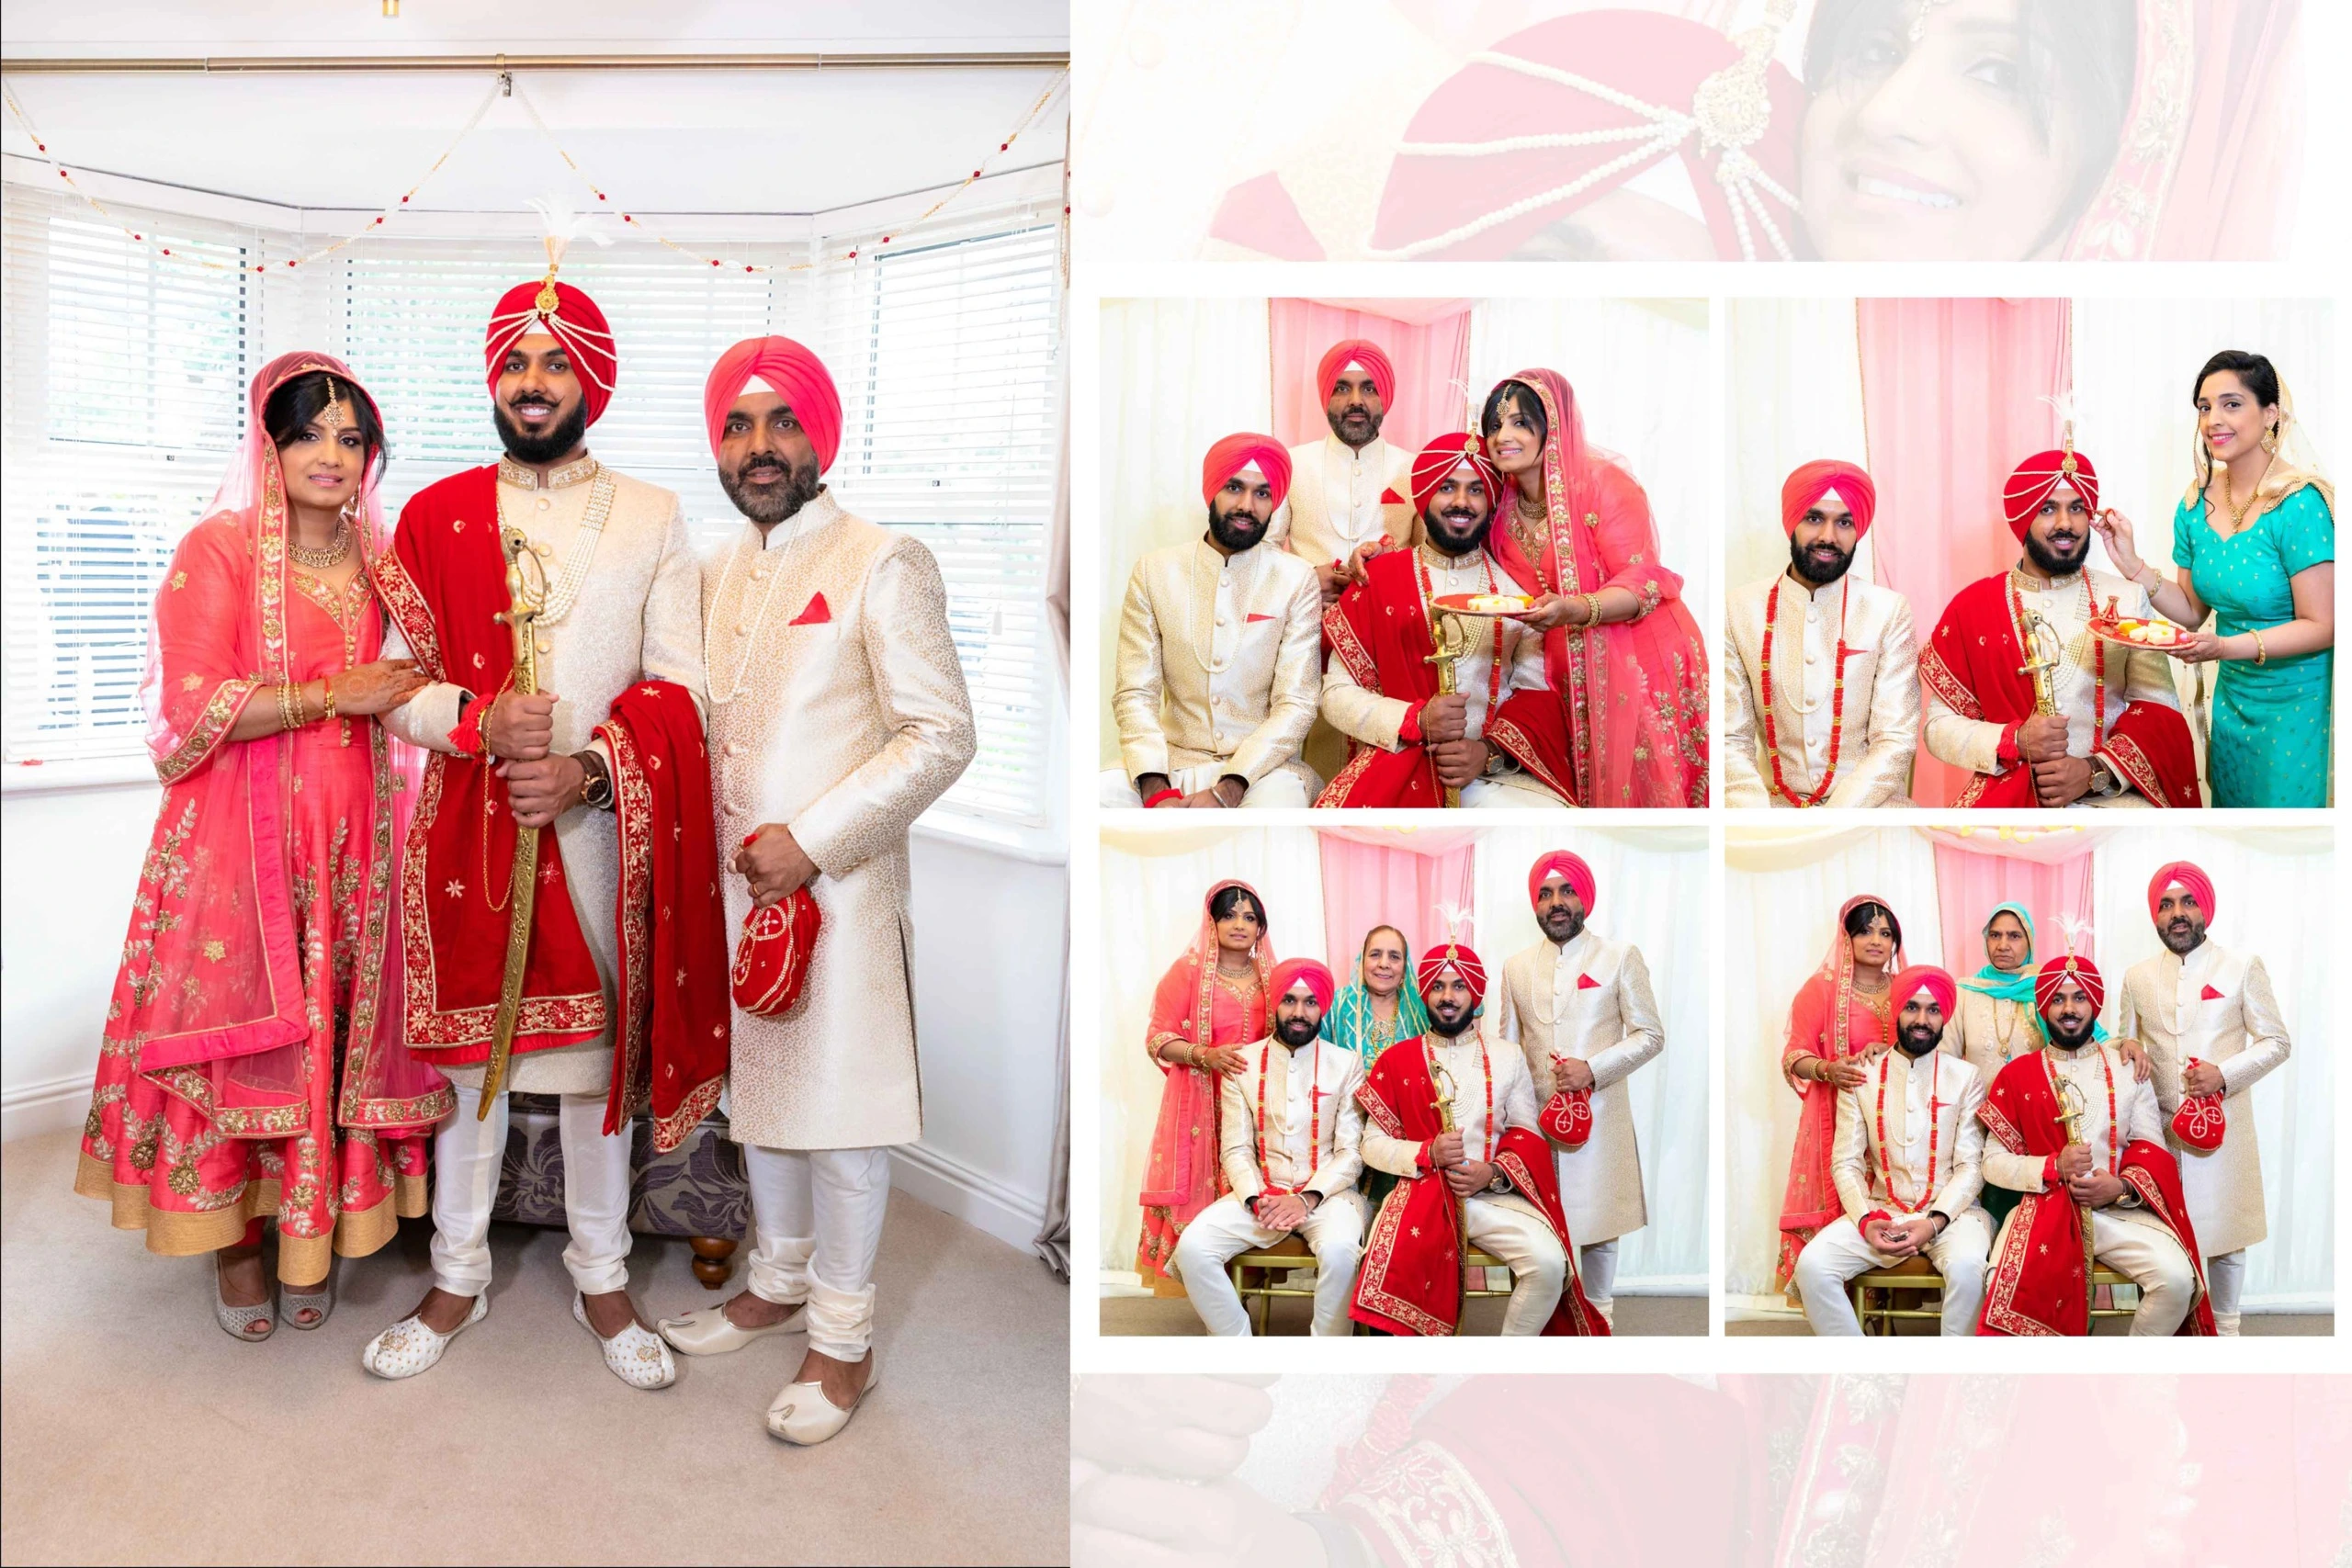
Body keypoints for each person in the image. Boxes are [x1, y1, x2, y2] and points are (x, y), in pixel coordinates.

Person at [361, 270, 724, 1388]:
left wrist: (586, 773)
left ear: (592, 379)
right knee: (473, 1068)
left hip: (600, 838)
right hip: (465, 833)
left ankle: (603, 1275)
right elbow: (391, 683)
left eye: (555, 361)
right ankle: (458, 1275)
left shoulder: (656, 515)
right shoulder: (436, 513)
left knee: (588, 1077)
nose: (532, 382)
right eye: (516, 362)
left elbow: (681, 687)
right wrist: (471, 721)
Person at [75, 354, 444, 1340]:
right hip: (239, 842)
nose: (331, 454)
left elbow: (425, 687)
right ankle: (236, 1242)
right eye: (309, 432)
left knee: (331, 1032)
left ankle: (307, 1231)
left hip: (357, 837)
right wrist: (333, 694)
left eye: (351, 437)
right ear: (269, 445)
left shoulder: (386, 562)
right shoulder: (223, 547)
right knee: (250, 1034)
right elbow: (189, 708)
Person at [651, 338, 976, 1440]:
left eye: (780, 422)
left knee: (840, 1122)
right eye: (737, 427)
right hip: (736, 895)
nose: (758, 448)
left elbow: (941, 733)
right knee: (764, 1102)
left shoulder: (885, 557)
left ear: (819, 436)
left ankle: (844, 1342)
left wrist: (818, 840)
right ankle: (775, 1283)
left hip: (836, 893)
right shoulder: (709, 564)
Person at [2093, 351, 2335, 807]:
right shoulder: (2194, 505)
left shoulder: (2301, 503)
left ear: (2271, 414)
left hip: (2297, 705)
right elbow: (2190, 611)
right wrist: (2133, 566)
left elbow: (2323, 624)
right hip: (2231, 701)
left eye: (2231, 404)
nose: (2213, 420)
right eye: (2204, 407)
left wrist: (2224, 647)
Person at [1351, 937, 1609, 1337]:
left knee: (1548, 1263)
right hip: (1420, 1193)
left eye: (1458, 986)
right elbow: (1371, 1146)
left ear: (1475, 993)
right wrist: (1427, 1152)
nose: (1448, 997)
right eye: (1438, 986)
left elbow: (1526, 1132)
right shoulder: (1397, 1059)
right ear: (1425, 995)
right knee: (1390, 1270)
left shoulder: (1508, 1056)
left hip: (1490, 1198)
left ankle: (1501, 1370)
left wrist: (1491, 1173)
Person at [1918, 443, 2200, 807]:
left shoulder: (2126, 598)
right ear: (2023, 519)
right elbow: (1938, 728)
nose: (2066, 523)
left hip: (2110, 799)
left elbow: (2160, 711)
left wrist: (2095, 771)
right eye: (2048, 509)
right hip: (2008, 795)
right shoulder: (1972, 607)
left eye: (2077, 508)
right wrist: (2015, 740)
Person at [1482, 371, 1709, 807]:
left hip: (1643, 658)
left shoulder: (1603, 484)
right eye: (1495, 425)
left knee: (1648, 791)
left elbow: (1642, 582)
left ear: (1553, 427)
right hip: (1566, 666)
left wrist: (1574, 609)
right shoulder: (1499, 500)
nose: (1503, 436)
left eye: (1520, 423)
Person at [1316, 433, 1571, 807]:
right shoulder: (1376, 581)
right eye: (1447, 487)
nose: (1461, 502)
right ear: (1424, 497)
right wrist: (1413, 720)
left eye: (1475, 490)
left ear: (1491, 500)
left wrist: (1488, 753)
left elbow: (1536, 696)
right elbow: (1336, 696)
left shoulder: (1516, 597)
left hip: (1492, 776)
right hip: (1396, 759)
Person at [1977, 951, 2214, 1337]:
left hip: (2117, 1213)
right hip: (2042, 1209)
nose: (2068, 1008)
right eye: (2057, 998)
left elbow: (2152, 1147)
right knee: (1999, 1286)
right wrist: (2052, 1166)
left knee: (2176, 1280)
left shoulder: (2126, 1067)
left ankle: (2125, 1379)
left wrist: (2120, 1188)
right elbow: (1992, 1163)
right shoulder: (2017, 1075)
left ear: (2095, 1003)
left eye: (2079, 997)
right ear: (2043, 1005)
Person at [2114, 863, 2292, 1337]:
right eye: (2167, 904)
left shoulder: (2240, 966)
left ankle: (2229, 1330)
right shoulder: (2136, 976)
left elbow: (2277, 1041)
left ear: (2204, 909)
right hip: (2160, 1134)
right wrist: (2121, 1046)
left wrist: (2224, 1074)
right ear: (2155, 915)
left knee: (2228, 1237)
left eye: (2187, 902)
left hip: (2225, 1128)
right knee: (2163, 1237)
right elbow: (2122, 1042)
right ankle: (2174, 1328)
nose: (2178, 914)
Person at [1493, 852, 1664, 1330]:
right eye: (1545, 894)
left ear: (1584, 897)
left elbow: (1651, 1034)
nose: (1556, 903)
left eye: (1566, 890)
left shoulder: (1618, 956)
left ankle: (1602, 1323)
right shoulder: (1516, 967)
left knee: (1600, 1227)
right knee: (1531, 1227)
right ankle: (1539, 1328)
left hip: (1600, 1117)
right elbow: (1507, 1050)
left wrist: (1593, 1069)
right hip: (1533, 1125)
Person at [1105, 436, 1321, 807]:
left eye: (1262, 494)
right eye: (1234, 487)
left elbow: (1297, 703)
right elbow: (1136, 693)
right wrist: (1157, 789)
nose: (1246, 505)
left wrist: (1229, 788)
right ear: (1212, 490)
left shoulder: (1295, 579)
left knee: (1277, 809)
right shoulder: (1155, 572)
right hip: (1172, 760)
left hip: (1260, 772)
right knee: (1099, 799)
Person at [1792, 964, 1992, 1337]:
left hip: (1951, 1216)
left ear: (1944, 1017)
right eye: (1912, 1007)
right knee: (1813, 1266)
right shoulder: (1862, 1075)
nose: (1921, 1019)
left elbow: (1971, 1165)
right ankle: (1860, 1376)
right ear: (1897, 1010)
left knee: (1967, 1267)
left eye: (1933, 1010)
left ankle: (1951, 1380)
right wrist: (1866, 1220)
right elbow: (1846, 1162)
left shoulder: (1965, 1077)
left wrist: (1934, 1221)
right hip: (1882, 1210)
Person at [1172, 960, 1369, 1337]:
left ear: (1322, 1007)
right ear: (1275, 1004)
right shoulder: (1243, 1063)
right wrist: (1254, 1198)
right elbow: (1235, 1149)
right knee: (1193, 1248)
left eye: (1310, 1002)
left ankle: (1326, 1362)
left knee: (1341, 1251)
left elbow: (1351, 1152)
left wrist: (1307, 1198)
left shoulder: (1345, 1064)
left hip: (1327, 1196)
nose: (1299, 1012)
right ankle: (1242, 1351)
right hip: (1262, 1194)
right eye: (1290, 1001)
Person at [1723, 459, 1917, 807]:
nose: (1829, 536)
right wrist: (1756, 820)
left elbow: (1895, 740)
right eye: (1814, 518)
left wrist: (1837, 818)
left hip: (1866, 810)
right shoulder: (1739, 609)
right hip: (1770, 807)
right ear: (1792, 522)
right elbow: (1729, 738)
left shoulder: (1888, 611)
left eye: (1844, 522)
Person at [1136, 882, 1274, 1290]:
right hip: (1200, 1103)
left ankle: (1246, 1288)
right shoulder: (1189, 972)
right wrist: (1205, 1055)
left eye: (1249, 917)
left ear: (1260, 928)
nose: (1239, 924)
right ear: (1211, 922)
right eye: (1229, 915)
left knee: (1250, 1190)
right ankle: (1206, 1286)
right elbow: (1158, 1038)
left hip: (1255, 1103)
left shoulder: (1273, 977)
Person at [1774, 896, 1903, 1293]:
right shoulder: (1821, 989)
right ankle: (1835, 1296)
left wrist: (1888, 1052)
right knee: (1842, 1198)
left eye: (1885, 933)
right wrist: (1831, 1068)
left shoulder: (1904, 989)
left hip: (1894, 1116)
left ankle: (1884, 1296)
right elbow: (1794, 1055)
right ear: (1846, 938)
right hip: (1834, 1112)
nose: (1875, 940)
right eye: (1864, 931)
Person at [1269, 339, 1414, 604]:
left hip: (1388, 625)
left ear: (1385, 398)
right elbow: (1266, 551)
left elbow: (1427, 557)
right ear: (1326, 397)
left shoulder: (1413, 469)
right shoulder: (1293, 464)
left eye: (1369, 388)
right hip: (1306, 623)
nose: (1355, 401)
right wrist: (1305, 581)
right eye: (1342, 388)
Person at [1318, 926, 1428, 1068]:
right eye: (1375, 954)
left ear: (1405, 968)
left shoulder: (1419, 1012)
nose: (1383, 964)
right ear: (1362, 961)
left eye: (1394, 957)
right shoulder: (1335, 1007)